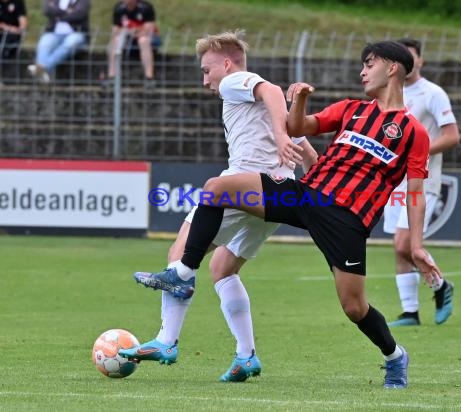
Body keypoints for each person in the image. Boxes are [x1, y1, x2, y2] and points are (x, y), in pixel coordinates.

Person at [127, 40, 442, 389]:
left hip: (346, 220)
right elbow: (298, 127)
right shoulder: (352, 109)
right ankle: (184, 273)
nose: (363, 71)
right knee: (215, 189)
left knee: (354, 308)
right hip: (306, 196)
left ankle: (395, 356)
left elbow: (415, 192)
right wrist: (300, 100)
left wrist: (416, 246)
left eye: (370, 64)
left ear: (393, 68)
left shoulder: (414, 132)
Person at [119, 30, 318, 382]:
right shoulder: (272, 112)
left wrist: (284, 137)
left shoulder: (234, 83)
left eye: (207, 70)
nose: (205, 80)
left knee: (180, 254)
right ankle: (246, 355)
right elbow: (310, 158)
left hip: (241, 186)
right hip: (276, 196)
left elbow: (270, 90)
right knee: (223, 269)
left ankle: (166, 340)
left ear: (226, 64)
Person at [383, 38, 460, 327]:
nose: (408, 62)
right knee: (398, 247)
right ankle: (410, 312)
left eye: (412, 57)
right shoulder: (390, 93)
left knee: (405, 243)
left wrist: (418, 152)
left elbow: (452, 136)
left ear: (420, 61)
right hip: (394, 181)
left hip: (422, 180)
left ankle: (441, 286)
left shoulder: (433, 93)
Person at [27, 0, 90, 84]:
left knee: (70, 43)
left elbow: (79, 15)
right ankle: (43, 74)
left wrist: (59, 16)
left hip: (76, 33)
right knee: (44, 44)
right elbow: (47, 10)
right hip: (54, 33)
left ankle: (43, 68)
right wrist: (67, 12)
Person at [107, 0, 160, 86]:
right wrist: (128, 32)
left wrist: (133, 31)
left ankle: (149, 77)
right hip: (128, 37)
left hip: (148, 38)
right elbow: (115, 30)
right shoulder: (119, 8)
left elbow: (148, 29)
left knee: (143, 40)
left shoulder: (146, 7)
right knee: (115, 41)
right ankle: (112, 76)